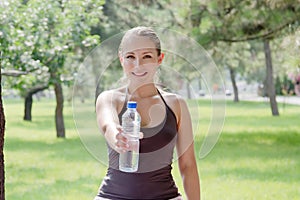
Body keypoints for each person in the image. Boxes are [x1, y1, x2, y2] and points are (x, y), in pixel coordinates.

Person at [94, 26, 201, 200]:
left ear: (160, 59)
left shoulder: (176, 104)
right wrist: (117, 137)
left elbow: (188, 165)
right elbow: (108, 125)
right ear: (121, 59)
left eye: (147, 56)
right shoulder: (109, 99)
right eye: (130, 57)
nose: (138, 65)